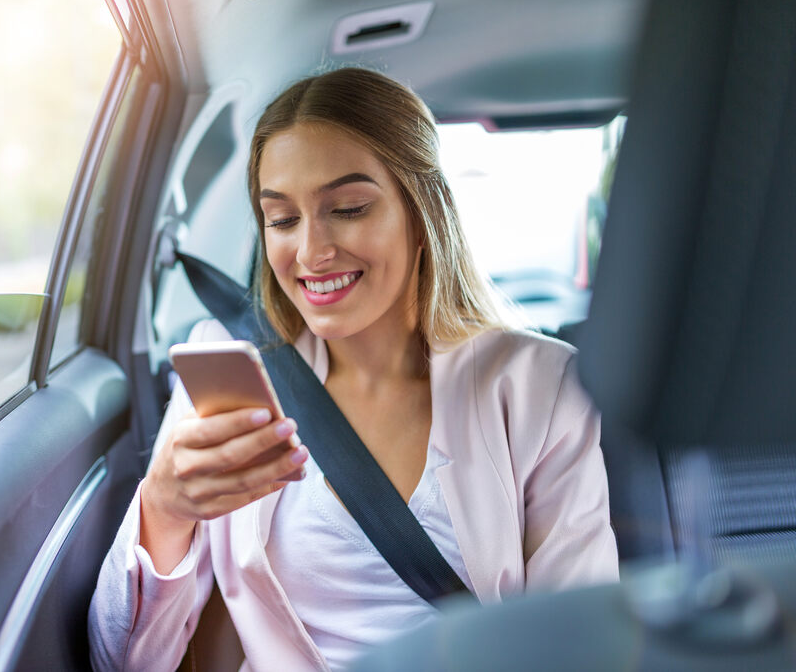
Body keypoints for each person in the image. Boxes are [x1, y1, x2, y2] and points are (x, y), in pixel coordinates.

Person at [89, 67, 618, 671]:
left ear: (422, 214)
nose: (311, 252)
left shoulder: (539, 387)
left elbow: (581, 643)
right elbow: (126, 664)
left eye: (347, 208)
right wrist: (163, 508)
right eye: (283, 219)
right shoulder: (232, 371)